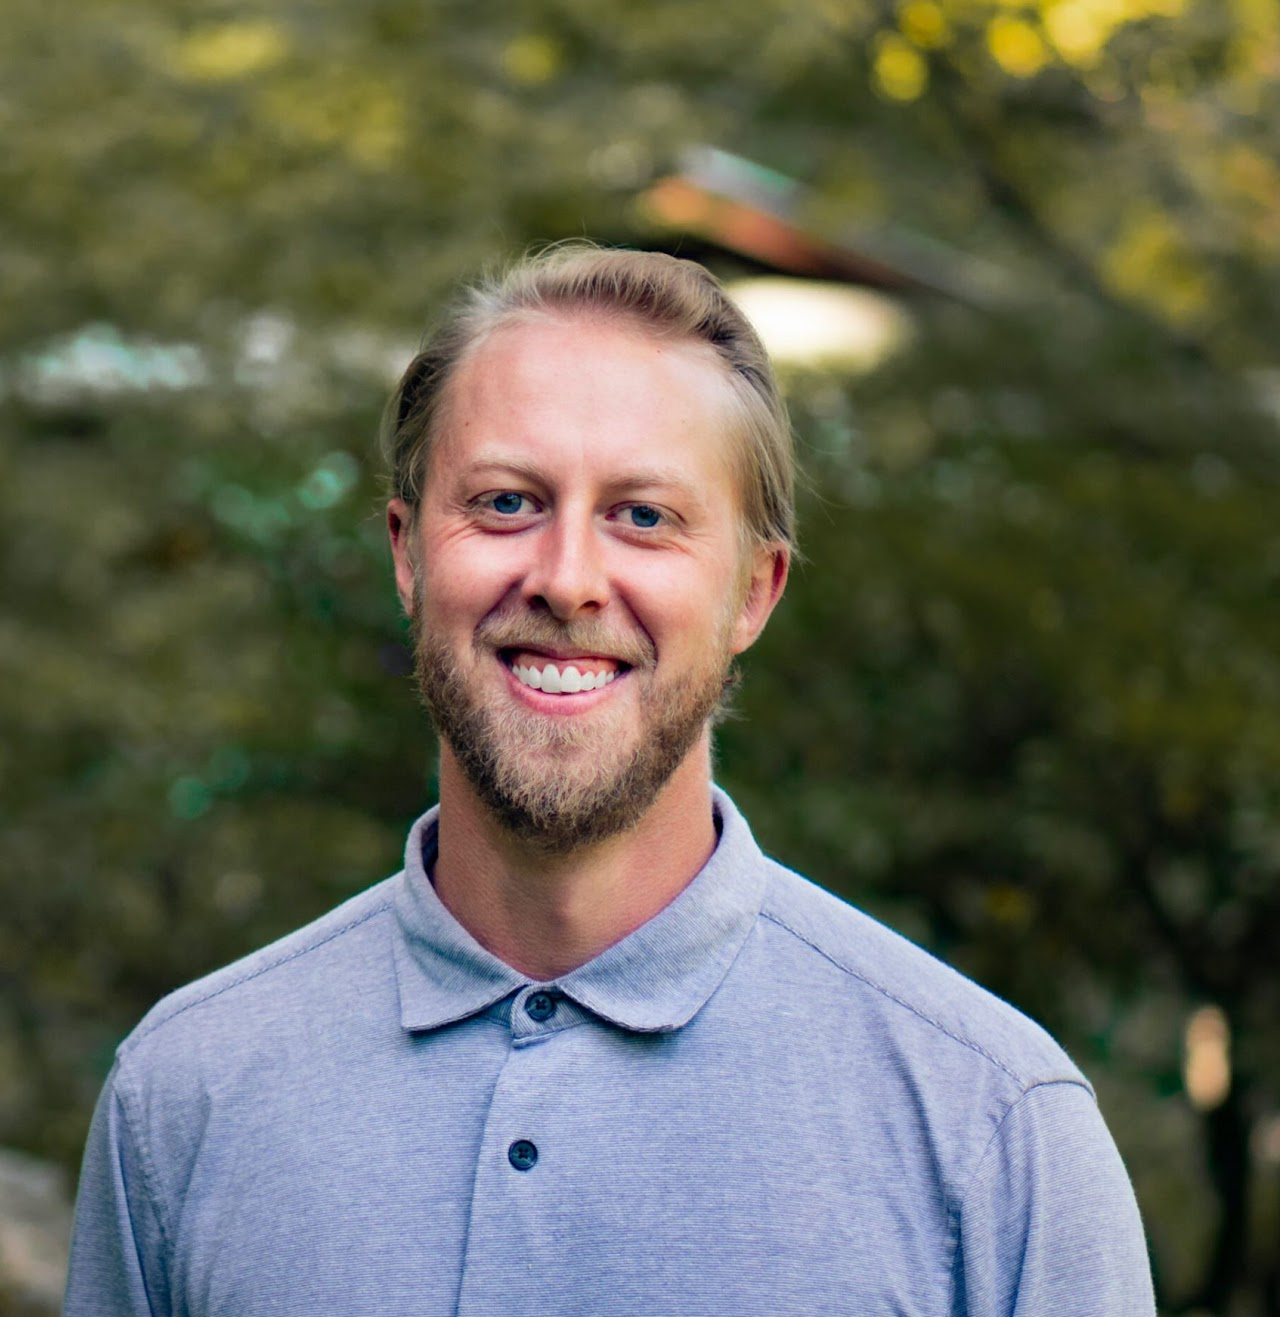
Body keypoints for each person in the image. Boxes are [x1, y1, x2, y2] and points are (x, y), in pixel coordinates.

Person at [65, 245, 1155, 1315]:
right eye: (506, 503)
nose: (568, 579)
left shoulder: (991, 1131)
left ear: (753, 592)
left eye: (643, 516)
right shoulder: (183, 1097)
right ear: (407, 554)